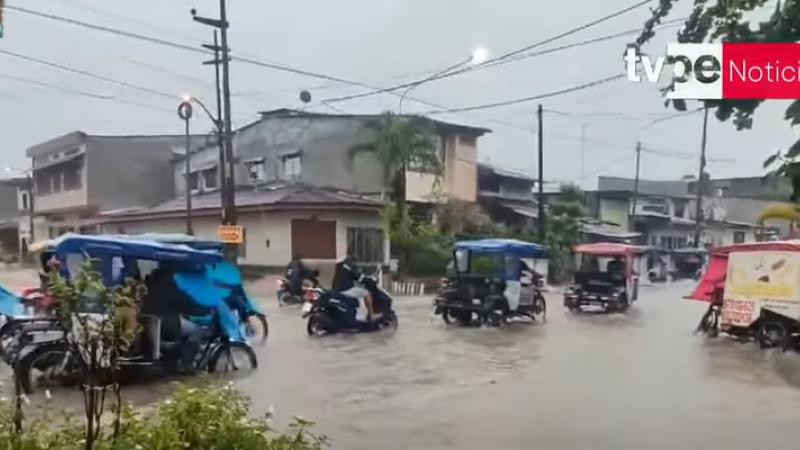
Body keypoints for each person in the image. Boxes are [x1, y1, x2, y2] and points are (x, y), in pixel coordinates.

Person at [332, 251, 377, 321]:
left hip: (336, 289)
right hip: (346, 289)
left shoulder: (341, 263)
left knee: (359, 290)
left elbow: (350, 276)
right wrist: (370, 279)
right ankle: (372, 315)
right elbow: (360, 277)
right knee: (367, 293)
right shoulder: (351, 264)